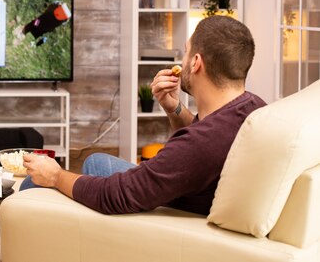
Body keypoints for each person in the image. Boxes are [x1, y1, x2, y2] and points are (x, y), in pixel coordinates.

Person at [21, 15, 267, 216]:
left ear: (196, 63)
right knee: (95, 161)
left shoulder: (199, 145)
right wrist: (174, 108)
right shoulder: (252, 106)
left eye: (186, 51)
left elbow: (113, 196)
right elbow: (204, 134)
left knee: (35, 183)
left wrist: (55, 175)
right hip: (192, 191)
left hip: (171, 215)